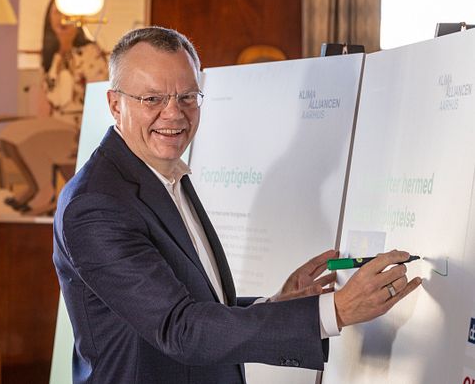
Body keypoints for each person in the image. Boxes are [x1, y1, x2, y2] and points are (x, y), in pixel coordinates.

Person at [52, 27, 422, 383]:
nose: (174, 113)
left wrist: (276, 303)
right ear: (115, 104)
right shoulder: (95, 205)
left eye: (187, 97)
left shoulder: (165, 173)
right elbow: (181, 329)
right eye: (153, 99)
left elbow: (194, 304)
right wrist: (335, 310)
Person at [0, 0, 108, 215]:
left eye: (66, 13)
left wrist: (88, 133)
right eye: (56, 13)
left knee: (23, 137)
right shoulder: (51, 57)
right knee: (9, 135)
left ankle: (44, 192)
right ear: (49, 18)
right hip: (57, 122)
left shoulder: (90, 52)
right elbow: (51, 99)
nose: (61, 19)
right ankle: (34, 187)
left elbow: (94, 97)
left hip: (77, 126)